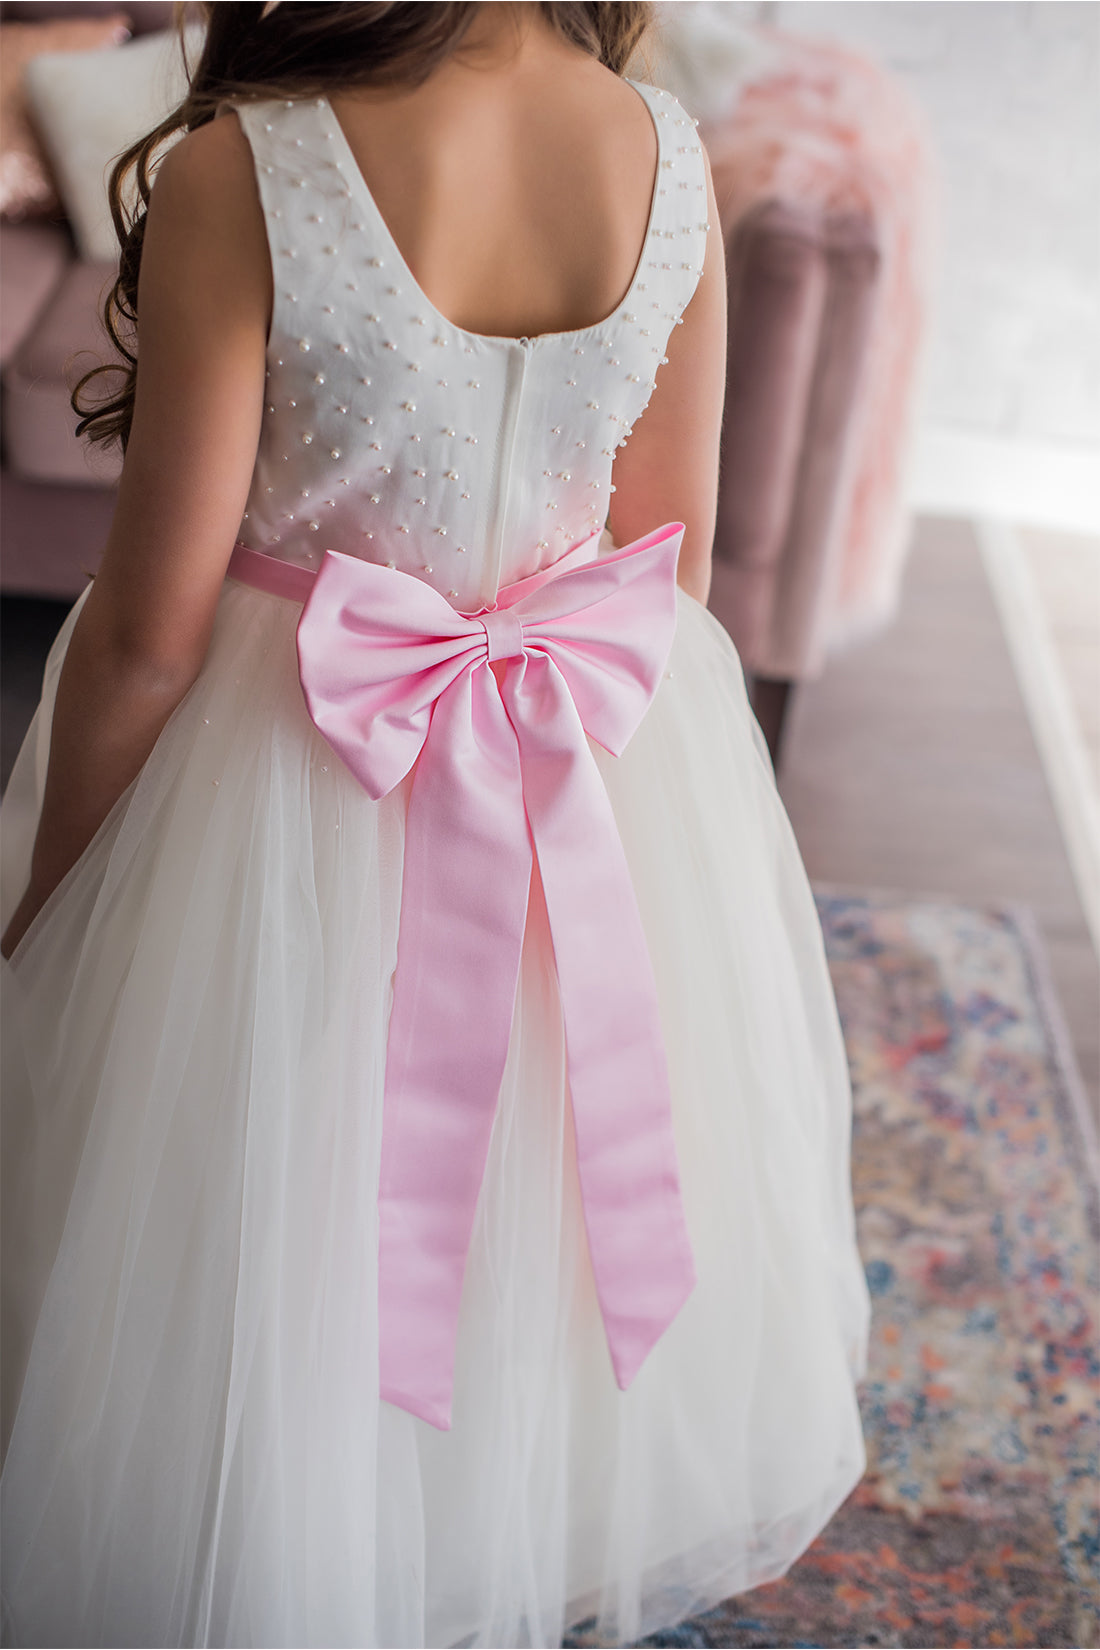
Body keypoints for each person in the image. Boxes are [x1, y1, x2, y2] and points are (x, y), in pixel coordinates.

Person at [0, 3, 872, 1645]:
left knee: (261, 1194)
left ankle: (274, 1552)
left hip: (284, 780)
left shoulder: (240, 168)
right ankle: (450, 1535)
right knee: (524, 1197)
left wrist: (52, 895)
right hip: (581, 770)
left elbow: (149, 639)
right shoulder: (666, 154)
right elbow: (669, 576)